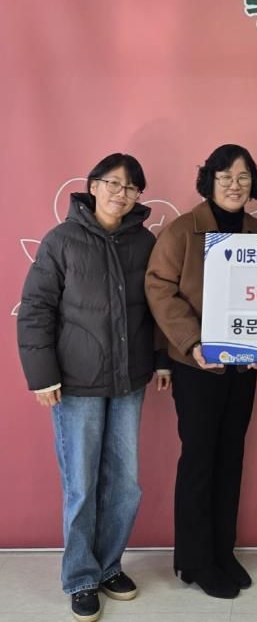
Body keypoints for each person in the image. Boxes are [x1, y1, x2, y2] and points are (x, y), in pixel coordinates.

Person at [17, 153, 171, 622]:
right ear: (93, 185)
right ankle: (81, 577)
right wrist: (42, 375)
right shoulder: (61, 241)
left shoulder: (145, 242)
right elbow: (36, 308)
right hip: (76, 385)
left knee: (124, 485)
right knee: (81, 485)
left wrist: (162, 360)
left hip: (129, 381)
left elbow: (158, 307)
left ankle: (108, 566)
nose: (121, 194)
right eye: (113, 183)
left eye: (131, 187)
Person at [145, 144, 257, 600]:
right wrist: (194, 343)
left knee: (231, 456)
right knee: (199, 459)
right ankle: (194, 561)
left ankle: (222, 551)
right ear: (209, 181)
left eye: (243, 176)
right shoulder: (183, 230)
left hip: (243, 367)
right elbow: (159, 289)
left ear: (253, 183)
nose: (235, 184)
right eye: (225, 176)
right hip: (196, 366)